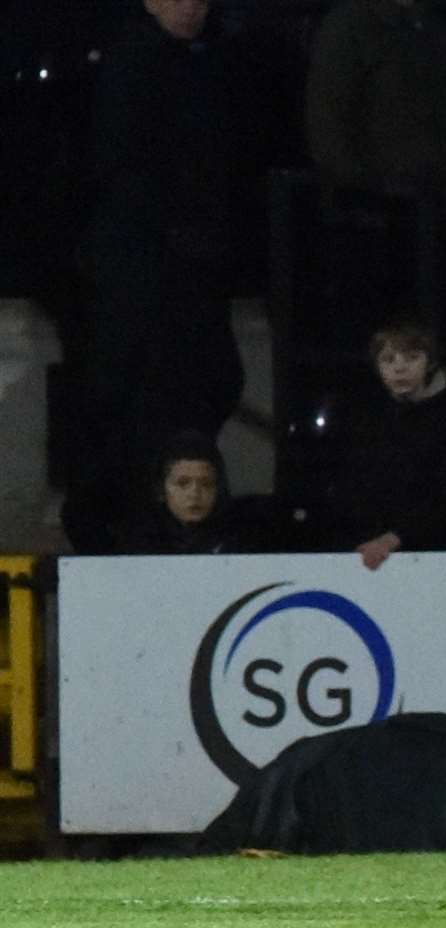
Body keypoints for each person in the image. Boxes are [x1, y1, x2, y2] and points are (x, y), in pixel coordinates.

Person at [65, 0, 245, 554]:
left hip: (179, 283)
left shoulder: (204, 62)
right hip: (152, 288)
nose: (196, 7)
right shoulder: (136, 64)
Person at [305, 0, 446, 354]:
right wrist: (363, 193)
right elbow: (328, 125)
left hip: (429, 213)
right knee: (375, 335)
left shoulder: (429, 27)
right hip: (374, 220)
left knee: (443, 336)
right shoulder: (351, 27)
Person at [325, 319, 446, 570]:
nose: (399, 369)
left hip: (436, 554)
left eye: (411, 358)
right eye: (389, 360)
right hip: (367, 548)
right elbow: (351, 485)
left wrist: (394, 538)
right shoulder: (365, 420)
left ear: (430, 362)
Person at [115, 429, 252, 555]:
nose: (195, 494)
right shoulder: (138, 546)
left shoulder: (237, 543)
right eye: (183, 483)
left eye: (206, 484)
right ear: (161, 490)